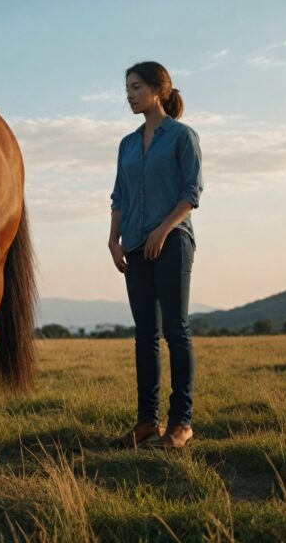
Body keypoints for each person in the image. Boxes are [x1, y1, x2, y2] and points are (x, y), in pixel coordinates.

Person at [108, 61, 202, 449]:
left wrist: (162, 231)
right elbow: (119, 196)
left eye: (135, 87)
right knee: (144, 334)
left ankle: (181, 424)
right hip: (132, 244)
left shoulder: (182, 136)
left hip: (172, 241)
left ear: (158, 90)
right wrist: (114, 239)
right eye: (126, 88)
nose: (129, 94)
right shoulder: (127, 144)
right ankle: (147, 422)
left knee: (175, 329)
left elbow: (191, 193)